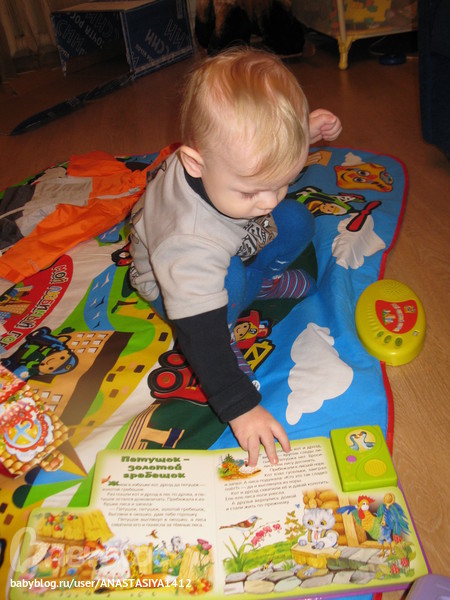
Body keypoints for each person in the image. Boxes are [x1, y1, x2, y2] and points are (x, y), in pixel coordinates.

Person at [129, 47, 342, 467]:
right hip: (176, 289)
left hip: (231, 238)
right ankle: (236, 312)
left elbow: (260, 148)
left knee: (297, 219)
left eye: (282, 181)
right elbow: (199, 337)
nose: (268, 201)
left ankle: (261, 281)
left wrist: (302, 132)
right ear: (195, 163)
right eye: (251, 190)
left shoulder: (229, 164)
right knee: (228, 278)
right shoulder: (187, 242)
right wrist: (240, 408)